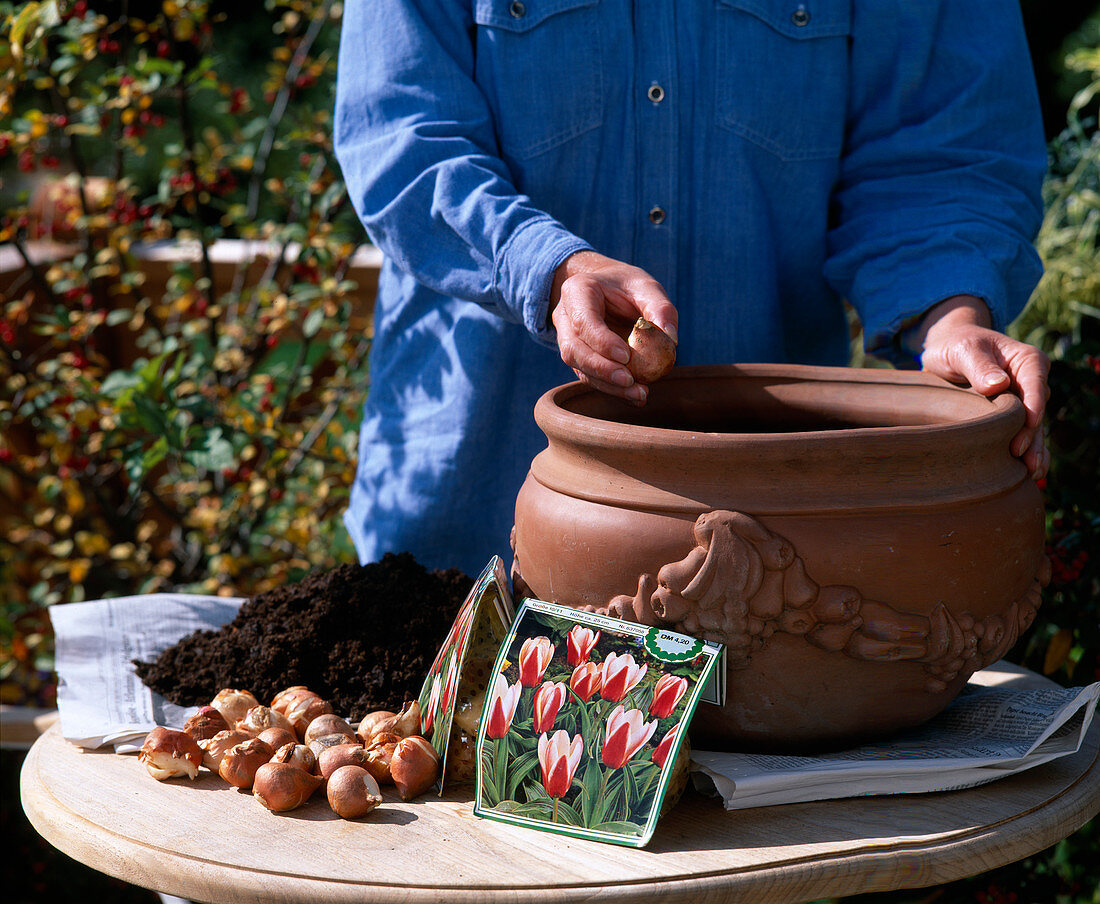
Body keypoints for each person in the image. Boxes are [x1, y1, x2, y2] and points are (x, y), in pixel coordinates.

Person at [334, 0, 1050, 578]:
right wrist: (548, 268)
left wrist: (949, 317)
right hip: (462, 532)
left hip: (768, 558)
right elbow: (403, 132)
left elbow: (943, 153)